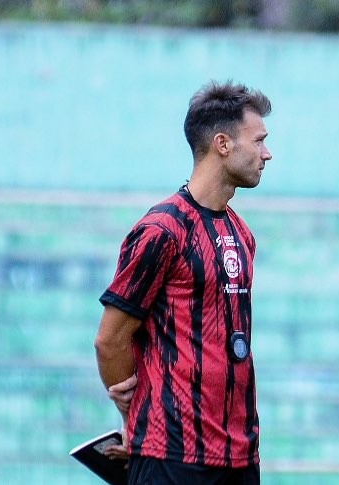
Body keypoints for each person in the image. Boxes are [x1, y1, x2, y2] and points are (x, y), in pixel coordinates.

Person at [94, 80, 273, 484]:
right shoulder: (162, 230)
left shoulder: (241, 233)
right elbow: (110, 339)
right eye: (259, 140)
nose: (267, 153)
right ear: (223, 144)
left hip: (240, 456)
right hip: (171, 455)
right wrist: (134, 412)